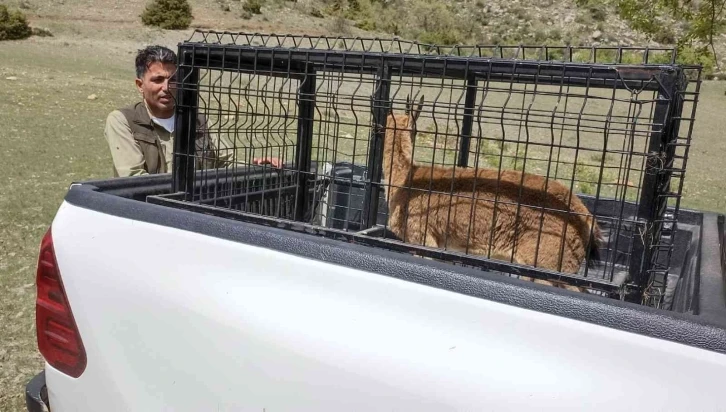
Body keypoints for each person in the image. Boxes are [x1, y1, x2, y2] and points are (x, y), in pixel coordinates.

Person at [104, 45, 281, 177]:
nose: (167, 87)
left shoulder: (198, 121)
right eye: (158, 80)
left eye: (173, 80)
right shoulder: (124, 121)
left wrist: (256, 167)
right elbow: (134, 178)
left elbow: (228, 162)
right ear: (140, 85)